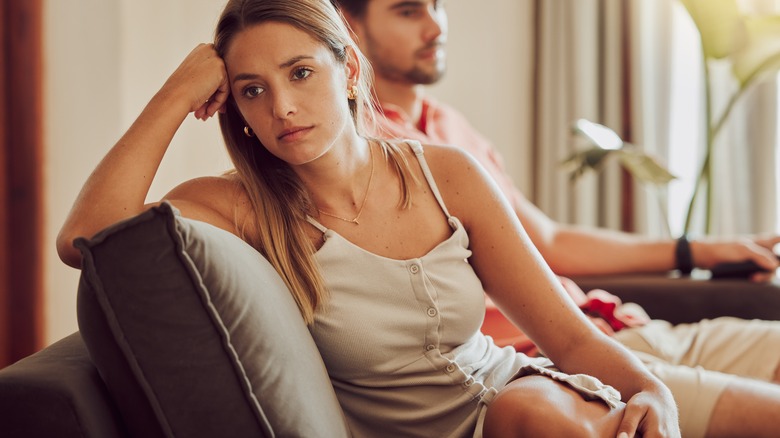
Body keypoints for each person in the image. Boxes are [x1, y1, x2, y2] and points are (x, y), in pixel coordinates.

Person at [56, 0, 680, 436]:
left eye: (301, 73)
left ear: (349, 72)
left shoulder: (448, 173)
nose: (282, 107)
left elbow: (568, 337)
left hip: (521, 404)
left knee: (538, 417)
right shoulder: (238, 206)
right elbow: (85, 239)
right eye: (252, 89)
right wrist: (176, 91)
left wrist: (653, 388)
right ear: (234, 107)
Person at [330, 0, 780, 436]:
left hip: (614, 329)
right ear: (349, 25)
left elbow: (547, 239)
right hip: (551, 361)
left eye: (437, 6)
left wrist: (694, 250)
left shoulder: (450, 128)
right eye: (408, 11)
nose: (435, 27)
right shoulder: (361, 156)